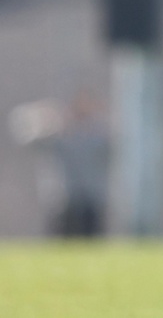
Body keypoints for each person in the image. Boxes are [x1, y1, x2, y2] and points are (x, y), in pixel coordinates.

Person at [8, 88, 110, 237]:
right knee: (60, 243)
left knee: (91, 245)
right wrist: (41, 117)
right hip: (62, 203)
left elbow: (120, 147)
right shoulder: (56, 136)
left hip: (91, 201)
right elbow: (24, 138)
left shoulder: (97, 136)